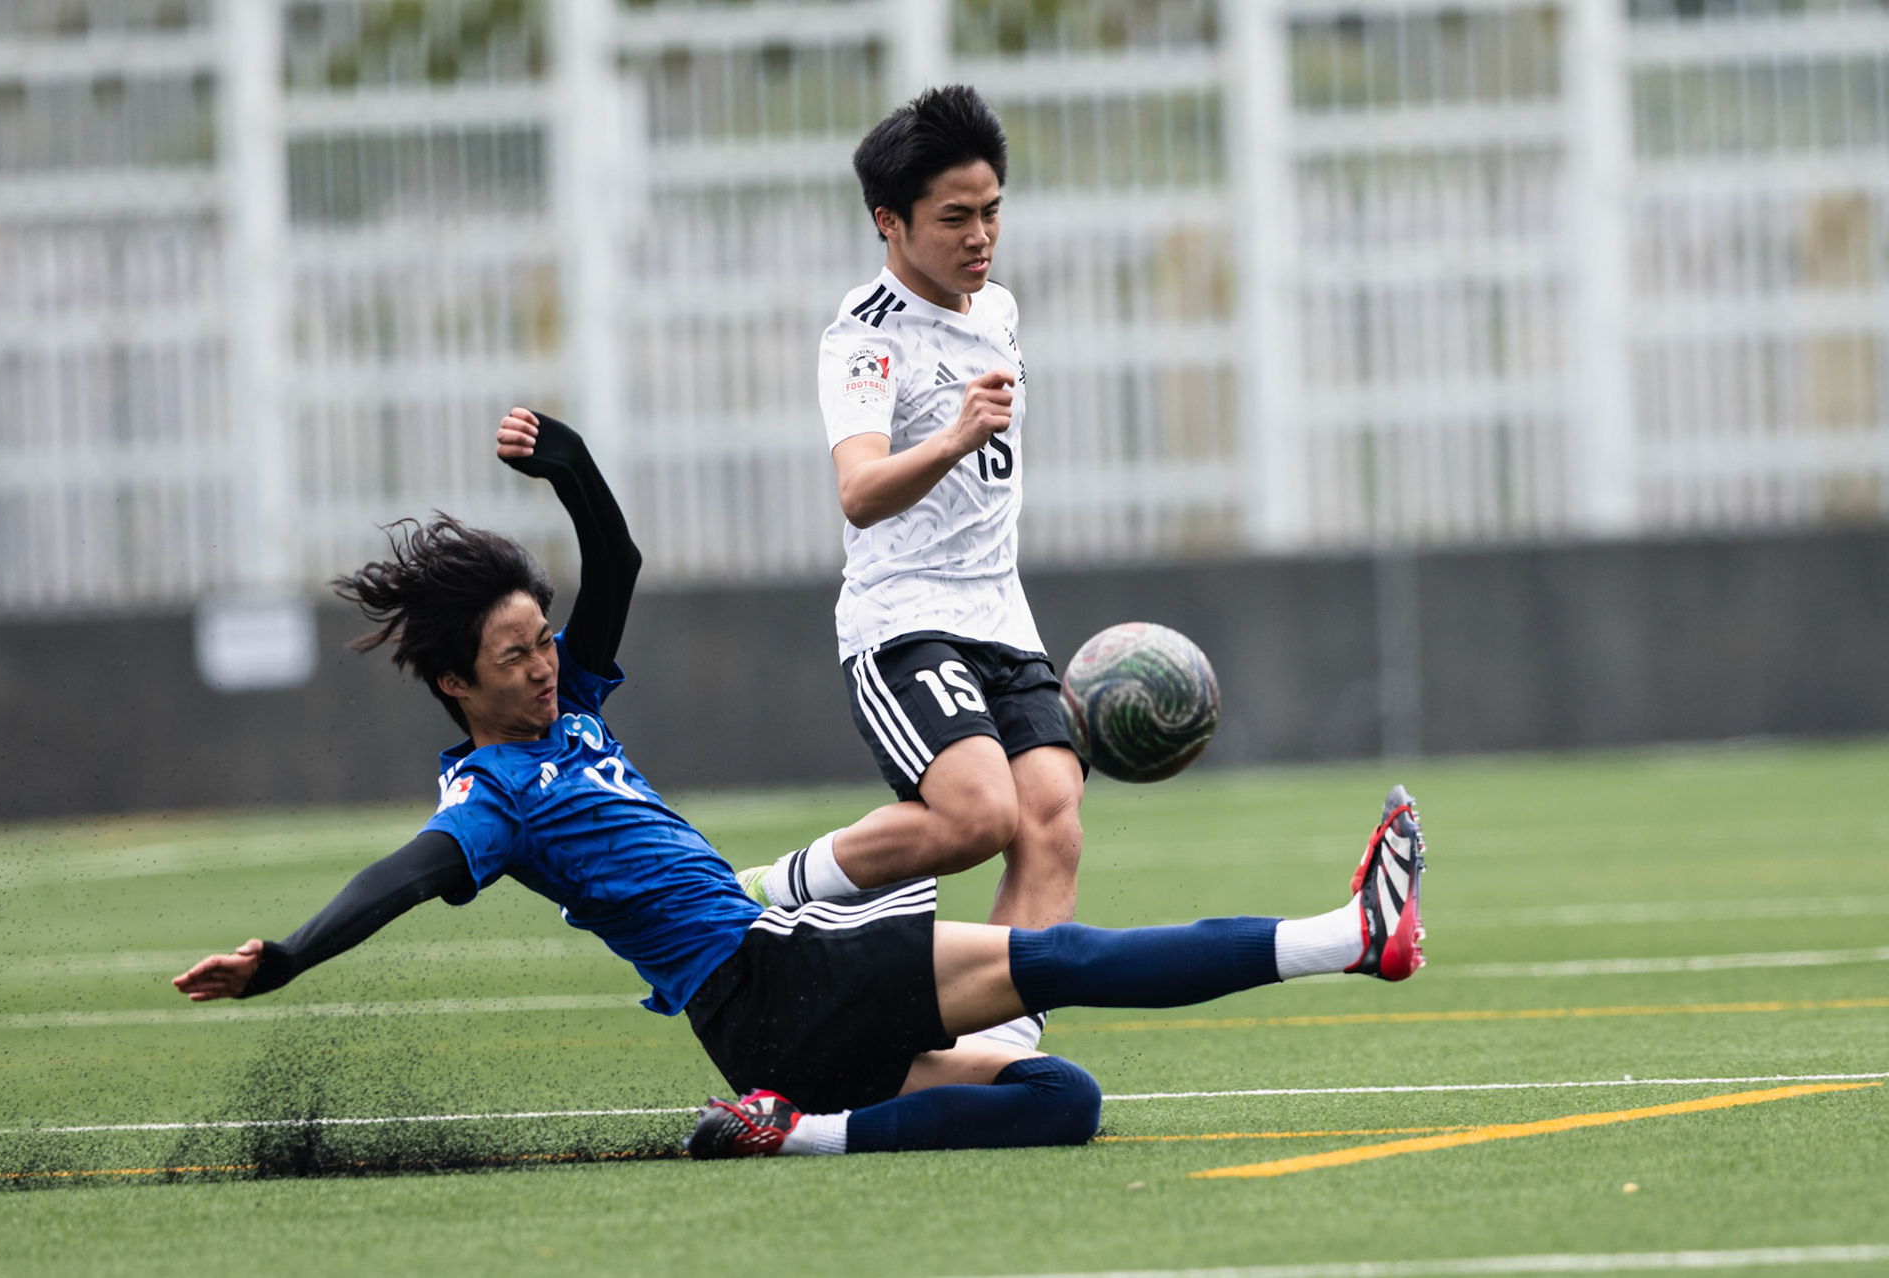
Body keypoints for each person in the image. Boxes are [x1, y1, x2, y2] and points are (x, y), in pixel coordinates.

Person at [173, 409, 1427, 1160]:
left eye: (545, 640)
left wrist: (565, 464)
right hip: (772, 985)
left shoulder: (574, 706)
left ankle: (796, 1131)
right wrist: (285, 955)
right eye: (516, 657)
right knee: (1058, 959)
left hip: (776, 1019)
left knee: (1062, 1097)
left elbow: (615, 555)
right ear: (456, 686)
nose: (548, 665)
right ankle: (1350, 937)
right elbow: (406, 876)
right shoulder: (493, 796)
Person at [738, 88, 1085, 1061]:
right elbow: (859, 491)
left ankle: (1006, 1047)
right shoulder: (863, 336)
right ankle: (776, 891)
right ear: (889, 222)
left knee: (1052, 821)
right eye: (956, 218)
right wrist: (957, 434)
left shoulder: (999, 309)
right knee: (979, 815)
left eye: (993, 211)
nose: (982, 237)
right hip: (904, 621)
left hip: (1001, 615)